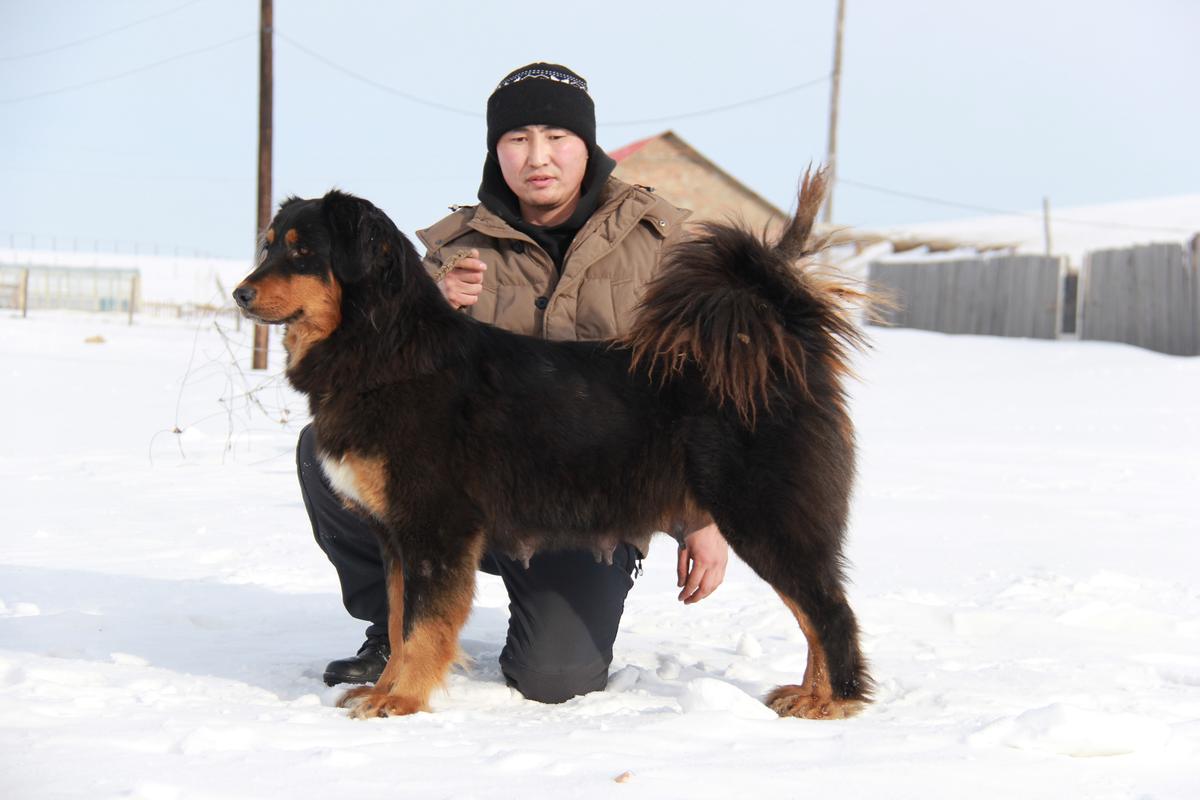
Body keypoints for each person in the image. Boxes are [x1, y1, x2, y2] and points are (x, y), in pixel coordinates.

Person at [296, 62, 729, 704]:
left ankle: (531, 614)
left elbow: (698, 389)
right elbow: (373, 381)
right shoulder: (452, 247)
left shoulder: (663, 247)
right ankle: (394, 631)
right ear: (496, 150)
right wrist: (425, 311)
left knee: (553, 678)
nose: (537, 157)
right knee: (326, 447)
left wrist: (703, 514)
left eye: (556, 136)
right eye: (516, 139)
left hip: (590, 502)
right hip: (468, 490)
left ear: (588, 145)